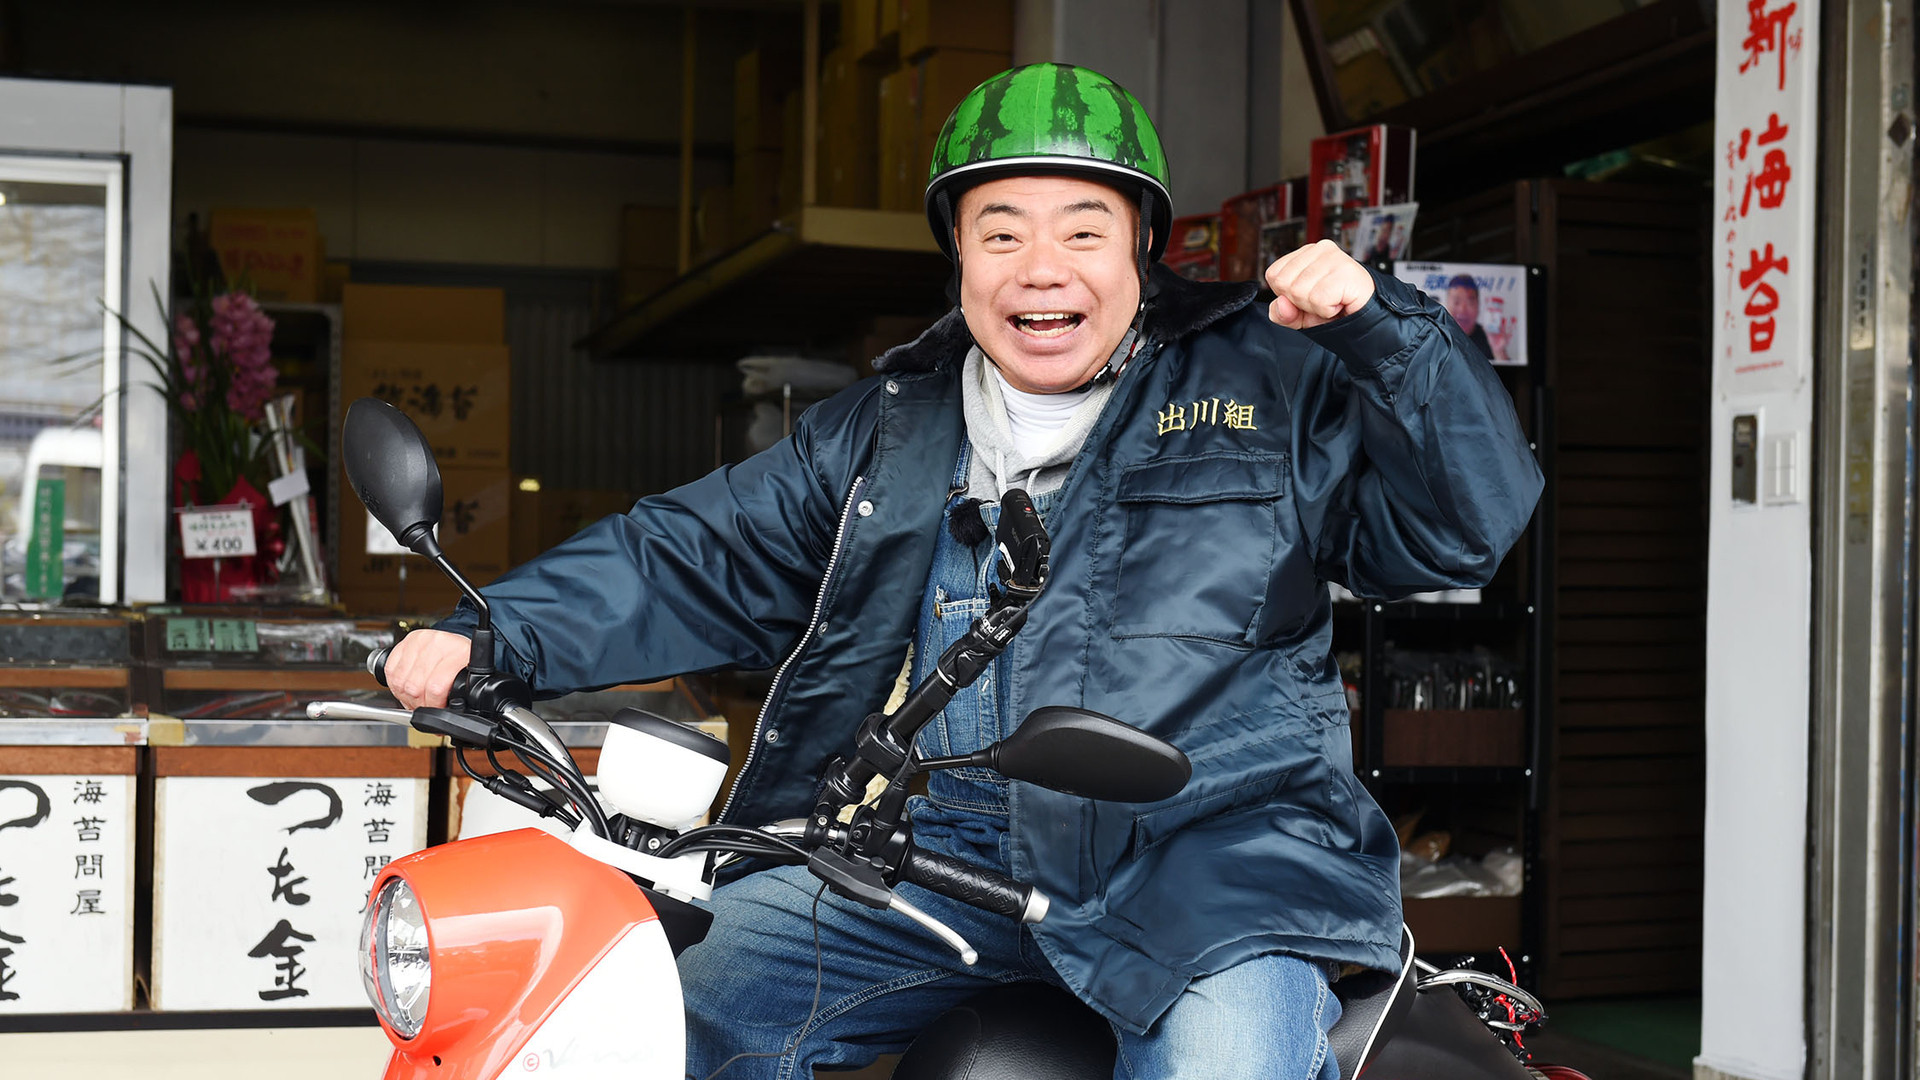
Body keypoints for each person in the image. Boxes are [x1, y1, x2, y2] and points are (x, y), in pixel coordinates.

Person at [382, 64, 1541, 1080]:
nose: (1042, 270)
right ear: (958, 256)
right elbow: (694, 553)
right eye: (1001, 233)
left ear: (1140, 247)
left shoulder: (1268, 383)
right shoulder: (893, 426)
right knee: (670, 996)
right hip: (946, 850)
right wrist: (496, 632)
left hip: (1219, 864)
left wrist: (1385, 331)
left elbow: (1466, 527)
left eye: (1082, 232)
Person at [1442, 272, 1496, 360]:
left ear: (1478, 306)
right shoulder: (1435, 337)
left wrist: (1499, 351)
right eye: (1456, 302)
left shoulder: (1490, 339)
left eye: (1470, 303)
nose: (1462, 310)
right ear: (1447, 305)